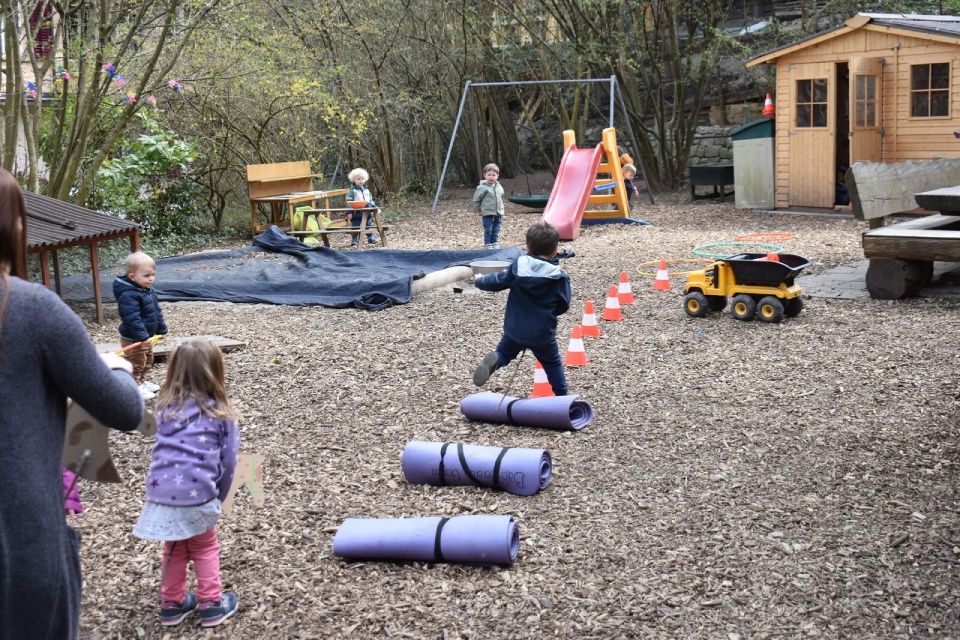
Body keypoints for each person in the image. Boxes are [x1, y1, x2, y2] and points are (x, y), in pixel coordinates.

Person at [0, 167, 144, 640]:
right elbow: (124, 411)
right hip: (21, 548)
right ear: (14, 226)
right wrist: (117, 369)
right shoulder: (31, 308)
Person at [133, 338, 240, 628]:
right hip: (198, 493)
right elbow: (229, 462)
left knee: (175, 547)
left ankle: (172, 604)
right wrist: (220, 494)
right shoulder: (221, 414)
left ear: (174, 370)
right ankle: (211, 604)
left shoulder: (165, 407)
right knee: (204, 547)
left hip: (161, 493)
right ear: (216, 371)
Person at [472, 221, 571, 396]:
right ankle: (562, 397)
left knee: (503, 353)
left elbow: (497, 282)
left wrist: (479, 280)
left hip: (515, 330)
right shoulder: (559, 277)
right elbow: (564, 305)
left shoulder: (519, 265)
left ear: (527, 247)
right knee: (552, 364)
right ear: (555, 250)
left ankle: (496, 361)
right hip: (542, 333)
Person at [114, 251, 168, 399]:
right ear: (132, 276)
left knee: (148, 360)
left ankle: (142, 382)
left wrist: (161, 329)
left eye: (153, 275)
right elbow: (132, 318)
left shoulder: (147, 291)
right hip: (134, 338)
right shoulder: (128, 295)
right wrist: (142, 336)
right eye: (146, 276)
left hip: (145, 337)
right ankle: (134, 387)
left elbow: (156, 311)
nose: (151, 279)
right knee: (136, 363)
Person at [472, 163, 504, 249]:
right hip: (487, 212)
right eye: (489, 175)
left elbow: (501, 193)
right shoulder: (482, 187)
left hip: (498, 212)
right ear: (485, 175)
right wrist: (477, 210)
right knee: (488, 228)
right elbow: (476, 199)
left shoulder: (498, 186)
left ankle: (494, 242)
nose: (491, 177)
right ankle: (488, 243)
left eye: (494, 175)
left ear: (497, 176)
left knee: (496, 228)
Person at [345, 167, 378, 246]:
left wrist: (374, 208)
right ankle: (354, 239)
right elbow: (348, 201)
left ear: (365, 179)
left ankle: (370, 237)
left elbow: (370, 200)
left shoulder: (366, 190)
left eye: (362, 179)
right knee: (355, 226)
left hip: (366, 211)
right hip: (356, 212)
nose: (361, 180)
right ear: (354, 180)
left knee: (368, 225)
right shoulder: (352, 191)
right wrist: (349, 212)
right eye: (358, 179)